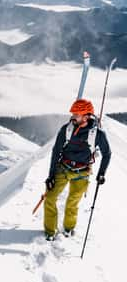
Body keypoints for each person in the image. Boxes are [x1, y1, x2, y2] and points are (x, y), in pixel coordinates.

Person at [44, 99, 111, 240]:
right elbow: (56, 151)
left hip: (82, 172)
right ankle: (50, 232)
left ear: (86, 116)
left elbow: (107, 153)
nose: (73, 116)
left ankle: (68, 229)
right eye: (73, 113)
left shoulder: (98, 134)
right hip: (63, 168)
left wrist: (101, 174)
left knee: (72, 203)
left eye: (77, 114)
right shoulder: (66, 129)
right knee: (49, 198)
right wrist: (51, 176)